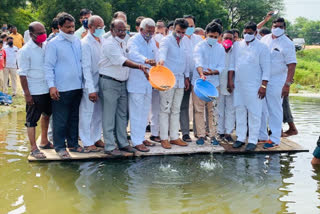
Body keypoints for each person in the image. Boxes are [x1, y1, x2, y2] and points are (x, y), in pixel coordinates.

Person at [98, 19, 149, 156]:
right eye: (119, 30)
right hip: (109, 82)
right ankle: (109, 146)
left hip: (122, 83)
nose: (122, 33)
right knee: (109, 115)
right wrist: (139, 66)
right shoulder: (109, 44)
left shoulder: (123, 42)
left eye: (124, 30)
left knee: (122, 115)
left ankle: (123, 143)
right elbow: (122, 62)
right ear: (112, 30)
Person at [45, 12, 85, 159]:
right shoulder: (53, 44)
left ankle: (73, 144)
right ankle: (60, 147)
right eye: (67, 27)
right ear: (60, 27)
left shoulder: (76, 41)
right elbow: (48, 66)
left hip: (77, 86)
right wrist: (52, 86)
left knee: (74, 117)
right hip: (61, 88)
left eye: (73, 26)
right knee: (60, 119)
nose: (71, 29)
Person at [228, 21, 270, 151]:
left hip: (254, 86)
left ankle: (252, 140)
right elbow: (231, 64)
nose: (247, 35)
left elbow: (266, 69)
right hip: (239, 85)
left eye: (250, 33)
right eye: (245, 33)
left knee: (254, 113)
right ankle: (240, 138)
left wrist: (263, 86)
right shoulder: (237, 45)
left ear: (256, 33)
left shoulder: (262, 47)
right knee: (240, 111)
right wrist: (230, 80)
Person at [258, 17, 297, 149]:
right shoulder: (265, 39)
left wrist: (287, 84)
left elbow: (292, 65)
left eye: (280, 26)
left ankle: (274, 138)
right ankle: (262, 136)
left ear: (284, 28)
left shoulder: (287, 43)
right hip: (263, 79)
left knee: (275, 109)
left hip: (277, 80)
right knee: (262, 108)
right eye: (275, 26)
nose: (277, 28)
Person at [18, 22, 53, 159]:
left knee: (47, 114)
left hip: (47, 88)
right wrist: (27, 94)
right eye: (39, 33)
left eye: (44, 31)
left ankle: (44, 141)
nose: (43, 35)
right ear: (31, 35)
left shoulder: (46, 46)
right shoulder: (25, 50)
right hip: (34, 90)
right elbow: (22, 74)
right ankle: (33, 148)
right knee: (31, 120)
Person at [158, 18, 190, 149]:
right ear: (173, 28)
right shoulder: (166, 40)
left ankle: (174, 137)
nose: (180, 34)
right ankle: (164, 138)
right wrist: (161, 61)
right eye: (178, 31)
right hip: (167, 79)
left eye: (182, 32)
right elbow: (162, 54)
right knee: (165, 109)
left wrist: (187, 77)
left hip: (180, 79)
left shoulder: (184, 42)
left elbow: (186, 60)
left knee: (176, 109)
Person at [127, 18, 158, 152]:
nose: (150, 34)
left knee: (144, 113)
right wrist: (145, 60)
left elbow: (156, 56)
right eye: (148, 31)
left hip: (148, 82)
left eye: (152, 32)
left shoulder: (152, 42)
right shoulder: (133, 40)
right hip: (136, 83)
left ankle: (141, 137)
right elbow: (133, 54)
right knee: (136, 113)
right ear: (141, 30)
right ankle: (136, 141)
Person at [192, 22, 225, 145]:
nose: (213, 39)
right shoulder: (199, 46)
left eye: (215, 37)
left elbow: (222, 66)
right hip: (200, 82)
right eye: (211, 36)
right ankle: (201, 135)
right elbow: (197, 61)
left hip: (214, 83)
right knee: (199, 109)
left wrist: (214, 72)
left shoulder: (220, 48)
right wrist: (202, 74)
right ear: (206, 34)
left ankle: (213, 135)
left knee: (213, 110)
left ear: (219, 36)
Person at [78, 15, 105, 152]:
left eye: (102, 27)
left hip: (102, 81)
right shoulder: (85, 43)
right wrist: (90, 89)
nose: (101, 29)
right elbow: (86, 69)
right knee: (87, 112)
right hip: (90, 83)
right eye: (98, 27)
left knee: (98, 113)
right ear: (90, 27)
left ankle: (96, 137)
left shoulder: (102, 39)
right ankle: (87, 141)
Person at [180, 15, 203, 142]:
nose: (190, 28)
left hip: (196, 77)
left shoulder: (199, 39)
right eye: (187, 25)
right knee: (183, 106)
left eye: (192, 26)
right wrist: (185, 77)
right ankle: (185, 132)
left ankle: (198, 132)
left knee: (197, 106)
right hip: (183, 77)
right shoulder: (180, 39)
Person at [217, 30, 236, 143]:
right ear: (221, 38)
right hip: (218, 82)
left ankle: (228, 132)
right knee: (219, 109)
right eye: (226, 38)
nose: (228, 40)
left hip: (231, 83)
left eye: (230, 38)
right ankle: (220, 132)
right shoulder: (218, 50)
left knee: (230, 109)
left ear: (234, 40)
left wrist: (231, 81)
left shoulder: (235, 52)